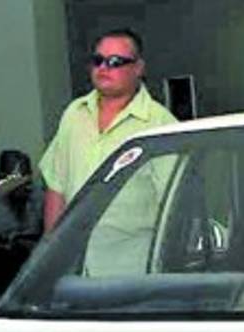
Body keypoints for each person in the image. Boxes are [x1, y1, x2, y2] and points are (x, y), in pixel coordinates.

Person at [40, 27, 176, 232]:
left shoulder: (160, 124)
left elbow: (174, 202)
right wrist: (50, 245)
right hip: (75, 249)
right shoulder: (74, 113)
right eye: (98, 60)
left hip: (132, 250)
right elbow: (56, 187)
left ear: (138, 68)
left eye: (115, 62)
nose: (103, 68)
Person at [0, 149, 42, 293]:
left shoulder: (38, 196)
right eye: (15, 180)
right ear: (1, 179)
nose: (23, 184)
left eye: (26, 178)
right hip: (0, 264)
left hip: (32, 264)